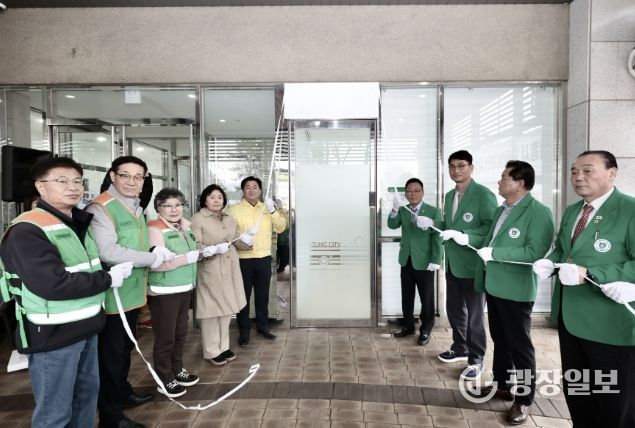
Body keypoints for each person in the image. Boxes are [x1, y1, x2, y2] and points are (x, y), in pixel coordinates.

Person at [0, 157, 133, 428]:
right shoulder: (28, 229)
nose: (73, 187)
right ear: (40, 187)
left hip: (87, 327)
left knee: (85, 399)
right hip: (53, 334)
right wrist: (108, 278)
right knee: (55, 413)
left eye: (77, 181)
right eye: (62, 181)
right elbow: (52, 284)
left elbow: (86, 265)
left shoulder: (76, 222)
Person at [533, 150, 635, 428]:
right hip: (571, 320)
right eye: (574, 171)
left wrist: (591, 274)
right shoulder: (573, 211)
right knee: (579, 394)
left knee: (614, 403)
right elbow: (564, 250)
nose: (578, 177)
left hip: (609, 325)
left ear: (612, 174)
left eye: (588, 170)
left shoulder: (629, 210)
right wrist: (550, 262)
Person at [86, 156, 175, 428]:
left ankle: (123, 393)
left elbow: (135, 242)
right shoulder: (101, 207)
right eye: (125, 175)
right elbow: (108, 251)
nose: (132, 182)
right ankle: (111, 417)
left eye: (138, 177)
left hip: (132, 295)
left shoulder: (136, 207)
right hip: (113, 297)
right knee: (111, 358)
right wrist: (151, 258)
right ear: (113, 176)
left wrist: (153, 249)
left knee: (124, 350)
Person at [472, 160, 554, 425]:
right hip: (494, 285)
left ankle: (525, 399)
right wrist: (463, 237)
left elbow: (534, 252)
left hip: (517, 290)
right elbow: (488, 241)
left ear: (520, 183)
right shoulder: (502, 209)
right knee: (501, 339)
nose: (499, 181)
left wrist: (495, 253)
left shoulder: (539, 213)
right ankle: (503, 385)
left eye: (504, 177)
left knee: (520, 346)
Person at [437, 151, 497, 381]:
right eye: (452, 166)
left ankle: (476, 358)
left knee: (475, 316)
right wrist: (434, 223)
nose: (456, 170)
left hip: (473, 266)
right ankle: (460, 347)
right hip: (453, 264)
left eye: (461, 166)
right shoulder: (449, 195)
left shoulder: (483, 194)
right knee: (454, 309)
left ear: (471, 167)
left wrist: (466, 235)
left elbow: (491, 228)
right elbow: (449, 224)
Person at [146, 188, 200, 398]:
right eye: (167, 206)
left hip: (184, 288)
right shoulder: (154, 229)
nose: (174, 209)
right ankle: (164, 377)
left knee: (180, 334)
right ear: (158, 208)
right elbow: (156, 264)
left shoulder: (183, 227)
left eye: (178, 205)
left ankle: (177, 369)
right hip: (164, 291)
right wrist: (187, 258)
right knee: (165, 337)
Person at [191, 184, 250, 365]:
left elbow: (235, 238)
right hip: (211, 268)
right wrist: (211, 249)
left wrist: (247, 240)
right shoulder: (198, 218)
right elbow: (194, 244)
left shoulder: (228, 217)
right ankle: (211, 350)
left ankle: (223, 346)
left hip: (230, 267)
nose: (216, 200)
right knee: (211, 309)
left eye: (219, 197)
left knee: (226, 307)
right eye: (212, 197)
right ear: (205, 200)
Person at [228, 176, 286, 346]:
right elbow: (229, 233)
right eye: (248, 187)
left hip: (263, 258)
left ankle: (263, 327)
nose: (251, 190)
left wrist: (273, 210)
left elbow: (281, 227)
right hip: (243, 259)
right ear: (243, 190)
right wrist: (242, 236)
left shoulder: (266, 208)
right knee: (243, 297)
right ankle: (244, 331)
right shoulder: (234, 210)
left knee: (262, 296)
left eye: (255, 187)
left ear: (260, 191)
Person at [387, 177, 442, 346]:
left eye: (417, 190)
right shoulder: (404, 210)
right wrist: (394, 209)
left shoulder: (433, 211)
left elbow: (438, 236)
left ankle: (426, 329)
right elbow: (392, 225)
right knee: (407, 295)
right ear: (405, 194)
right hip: (407, 259)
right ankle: (408, 325)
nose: (413, 194)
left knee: (427, 298)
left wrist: (436, 259)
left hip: (425, 261)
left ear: (423, 192)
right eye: (409, 191)